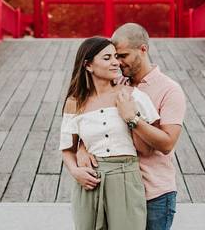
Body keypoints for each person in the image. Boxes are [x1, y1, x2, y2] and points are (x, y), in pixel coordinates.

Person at [78, 24, 186, 230]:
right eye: (113, 56)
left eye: (123, 55)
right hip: (116, 192)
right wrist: (83, 147)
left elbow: (167, 143)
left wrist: (132, 118)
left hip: (153, 194)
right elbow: (92, 119)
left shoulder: (170, 90)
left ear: (143, 50)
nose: (117, 62)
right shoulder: (114, 81)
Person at [61, 36, 159, 230]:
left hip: (125, 178)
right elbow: (67, 148)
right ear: (88, 65)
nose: (116, 62)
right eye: (107, 58)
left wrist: (131, 117)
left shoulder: (132, 95)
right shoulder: (75, 102)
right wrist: (75, 171)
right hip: (89, 181)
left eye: (116, 56)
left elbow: (150, 146)